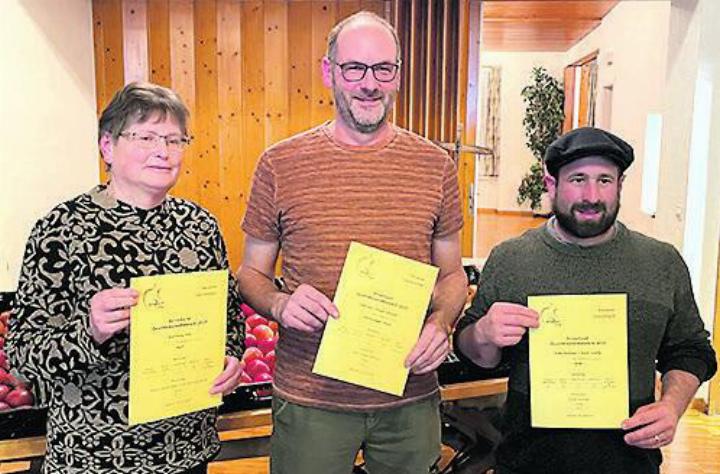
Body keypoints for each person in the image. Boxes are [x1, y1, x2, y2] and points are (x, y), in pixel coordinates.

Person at [236, 11, 468, 474]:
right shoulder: (280, 164)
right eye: (354, 69)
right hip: (310, 400)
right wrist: (279, 306)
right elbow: (250, 275)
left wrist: (441, 323)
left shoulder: (435, 165)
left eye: (383, 69)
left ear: (398, 75)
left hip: (410, 395)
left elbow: (452, 274)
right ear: (328, 73)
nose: (369, 83)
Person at [7, 82, 244, 474]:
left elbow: (230, 316)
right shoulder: (61, 229)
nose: (162, 151)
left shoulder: (199, 225)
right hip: (96, 457)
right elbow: (22, 358)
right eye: (145, 136)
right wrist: (90, 332)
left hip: (186, 450)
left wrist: (232, 358)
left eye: (174, 139)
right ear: (107, 147)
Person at [455, 127, 717, 473]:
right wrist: (482, 333)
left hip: (628, 460)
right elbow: (478, 359)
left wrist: (671, 406)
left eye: (605, 181)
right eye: (578, 179)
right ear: (552, 185)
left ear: (620, 185)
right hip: (528, 460)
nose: (592, 195)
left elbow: (691, 350)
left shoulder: (661, 263)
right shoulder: (511, 259)